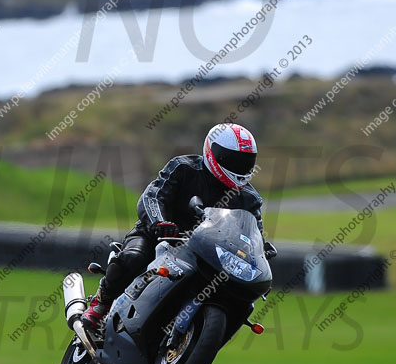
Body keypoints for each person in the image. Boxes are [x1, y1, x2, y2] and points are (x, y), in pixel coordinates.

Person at [82, 123, 271, 330]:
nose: (239, 166)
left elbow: (253, 235)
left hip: (206, 255)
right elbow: (152, 196)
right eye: (232, 159)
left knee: (240, 299)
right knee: (133, 257)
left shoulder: (250, 199)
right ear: (212, 151)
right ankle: (101, 302)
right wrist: (159, 222)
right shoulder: (184, 168)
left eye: (245, 161)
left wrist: (259, 254)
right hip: (159, 237)